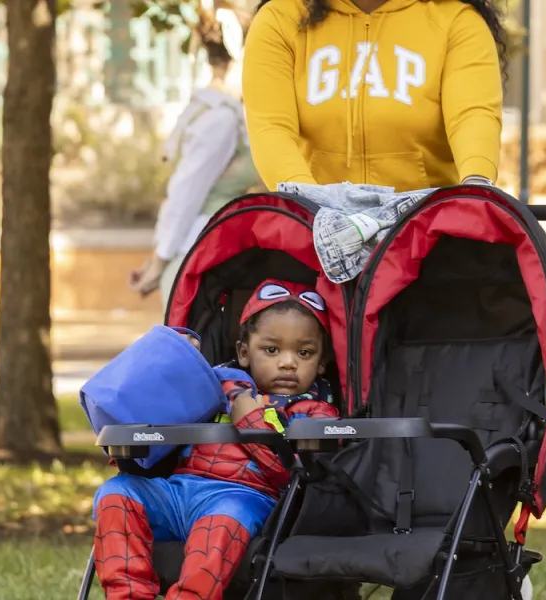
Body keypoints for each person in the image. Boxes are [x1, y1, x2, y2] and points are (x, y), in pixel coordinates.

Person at [91, 280, 340, 600]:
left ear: (321, 363)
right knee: (116, 491)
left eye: (304, 353)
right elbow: (148, 416)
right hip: (176, 492)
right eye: (272, 349)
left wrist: (251, 421)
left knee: (223, 520)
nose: (288, 362)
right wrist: (174, 366)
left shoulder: (316, 410)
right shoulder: (213, 383)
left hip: (244, 497)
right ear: (244, 352)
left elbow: (299, 476)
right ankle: (128, 594)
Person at [242, 0, 508, 192]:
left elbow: (473, 116)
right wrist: (314, 206)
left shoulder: (456, 20)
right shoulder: (280, 19)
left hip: (424, 231)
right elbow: (271, 129)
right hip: (313, 228)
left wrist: (476, 185)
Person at [131, 4, 263, 302]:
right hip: (201, 254)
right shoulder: (220, 118)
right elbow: (186, 191)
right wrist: (160, 261)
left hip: (208, 248)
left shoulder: (214, 109)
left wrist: (159, 259)